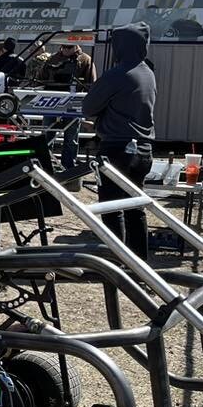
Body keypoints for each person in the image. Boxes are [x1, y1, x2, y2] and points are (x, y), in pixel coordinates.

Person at [83, 23, 156, 260]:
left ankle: (116, 260)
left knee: (111, 209)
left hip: (117, 149)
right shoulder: (147, 72)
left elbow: (88, 107)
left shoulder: (118, 74)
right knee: (136, 207)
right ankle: (139, 263)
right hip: (143, 148)